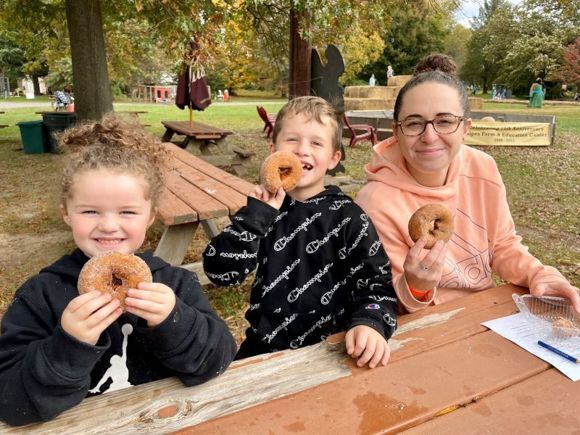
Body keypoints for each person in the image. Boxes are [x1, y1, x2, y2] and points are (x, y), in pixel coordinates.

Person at [0, 115, 237, 426]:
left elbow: (219, 360)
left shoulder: (174, 284)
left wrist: (175, 320)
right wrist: (67, 345)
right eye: (90, 211)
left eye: (127, 212)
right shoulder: (41, 294)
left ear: (150, 215)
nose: (109, 226)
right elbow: (10, 402)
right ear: (67, 213)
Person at [355, 69, 580, 314]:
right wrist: (415, 287)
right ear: (396, 131)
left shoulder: (483, 168)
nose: (430, 137)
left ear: (465, 127)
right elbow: (380, 300)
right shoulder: (374, 203)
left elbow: (503, 246)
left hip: (485, 311)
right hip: (420, 325)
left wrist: (539, 274)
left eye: (445, 121)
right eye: (414, 123)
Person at [203, 96, 398, 367]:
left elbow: (377, 284)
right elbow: (220, 271)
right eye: (292, 140)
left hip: (333, 349)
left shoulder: (349, 217)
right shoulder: (261, 212)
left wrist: (371, 321)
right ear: (273, 149)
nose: (302, 151)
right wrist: (254, 219)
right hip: (263, 347)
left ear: (333, 158)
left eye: (316, 143)